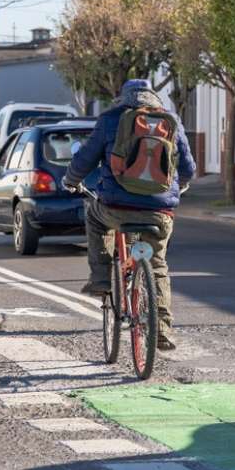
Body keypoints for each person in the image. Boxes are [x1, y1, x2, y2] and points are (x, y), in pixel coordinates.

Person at [61, 79, 196, 351]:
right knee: (157, 265)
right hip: (159, 211)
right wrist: (178, 186)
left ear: (123, 98)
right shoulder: (171, 121)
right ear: (153, 97)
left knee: (95, 218)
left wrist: (71, 180)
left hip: (116, 206)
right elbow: (188, 168)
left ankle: (100, 280)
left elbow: (85, 159)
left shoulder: (110, 119)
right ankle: (161, 329)